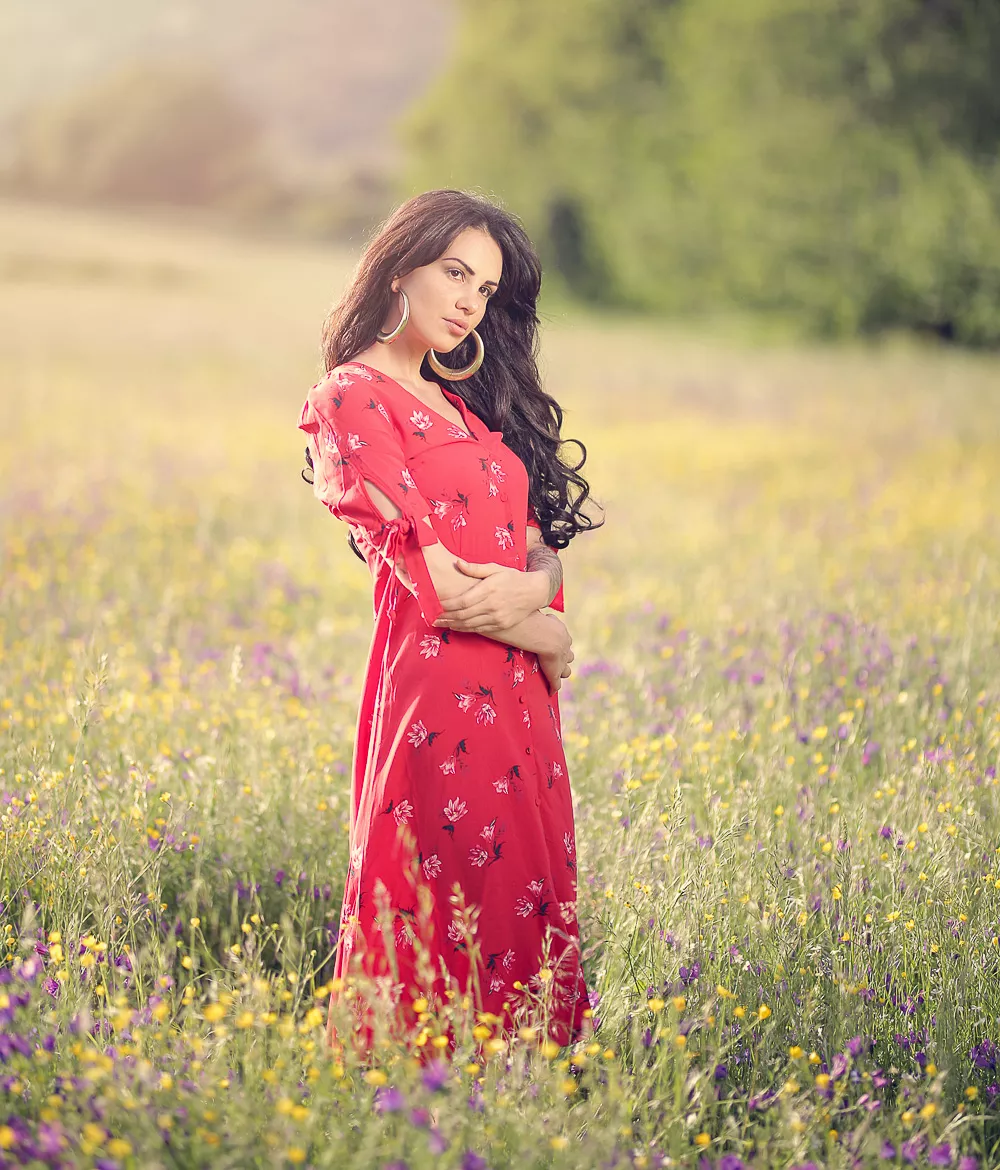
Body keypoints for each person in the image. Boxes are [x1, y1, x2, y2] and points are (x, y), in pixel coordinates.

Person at [297, 189, 602, 1056]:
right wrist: (545, 630)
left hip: (517, 700)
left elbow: (535, 544)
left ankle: (519, 1098)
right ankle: (414, 1105)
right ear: (402, 266)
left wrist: (545, 597)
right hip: (440, 691)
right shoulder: (352, 396)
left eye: (486, 287)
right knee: (446, 888)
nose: (469, 298)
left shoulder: (461, 405)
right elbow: (438, 584)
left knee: (520, 891)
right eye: (455, 271)